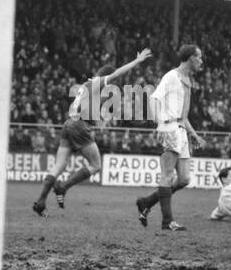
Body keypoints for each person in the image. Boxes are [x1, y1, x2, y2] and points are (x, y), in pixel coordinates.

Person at [32, 47, 152, 217]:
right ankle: (63, 187)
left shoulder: (85, 86)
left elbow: (95, 107)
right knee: (96, 165)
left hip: (68, 123)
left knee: (59, 165)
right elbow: (116, 74)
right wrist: (137, 61)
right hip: (80, 125)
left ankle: (40, 202)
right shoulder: (98, 82)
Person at [135, 45, 205, 231]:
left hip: (180, 129)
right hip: (170, 127)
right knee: (167, 176)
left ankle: (146, 202)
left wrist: (193, 134)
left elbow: (183, 115)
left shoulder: (186, 79)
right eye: (199, 58)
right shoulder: (172, 76)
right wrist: (160, 123)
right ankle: (168, 222)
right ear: (191, 58)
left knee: (184, 179)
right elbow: (154, 98)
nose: (201, 61)